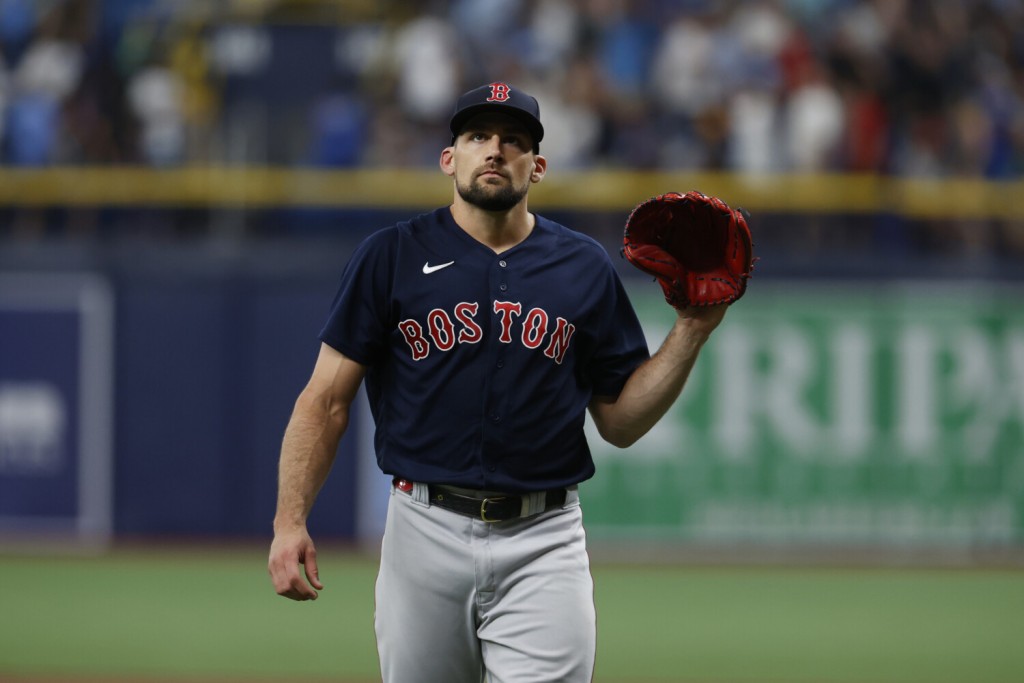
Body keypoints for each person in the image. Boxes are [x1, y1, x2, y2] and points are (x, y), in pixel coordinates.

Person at [268, 82, 730, 683]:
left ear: (536, 167)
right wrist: (288, 521)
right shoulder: (391, 256)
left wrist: (693, 329)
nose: (494, 150)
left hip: (544, 537)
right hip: (422, 528)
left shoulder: (583, 266)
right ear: (449, 157)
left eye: (513, 141)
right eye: (477, 136)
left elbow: (618, 421)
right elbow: (325, 402)